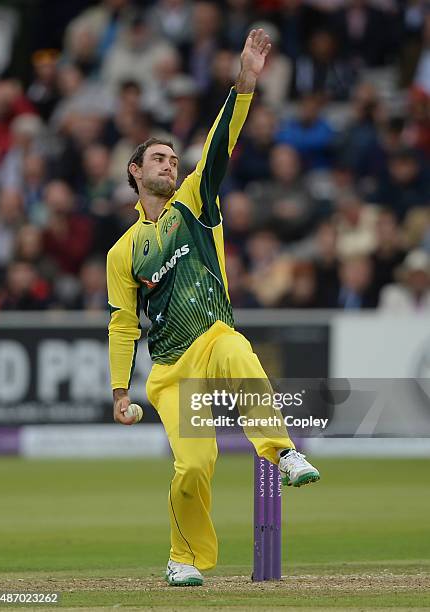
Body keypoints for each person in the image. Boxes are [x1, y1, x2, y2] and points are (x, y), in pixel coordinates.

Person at [106, 29, 320, 587]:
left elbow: (223, 137)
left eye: (174, 158)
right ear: (135, 171)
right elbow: (123, 322)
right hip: (173, 369)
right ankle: (184, 557)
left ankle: (282, 451)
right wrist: (119, 390)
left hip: (212, 334)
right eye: (159, 158)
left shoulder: (196, 198)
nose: (170, 164)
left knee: (239, 352)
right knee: (193, 468)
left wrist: (245, 81)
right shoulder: (123, 251)